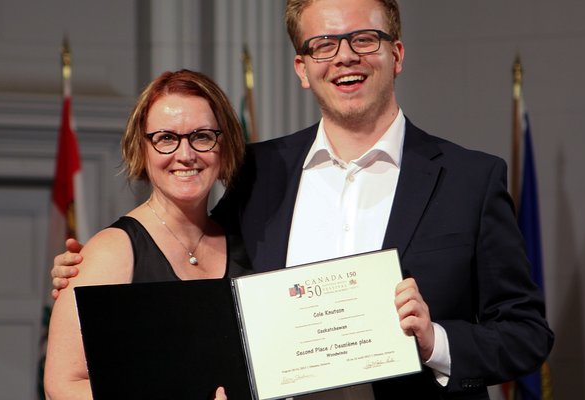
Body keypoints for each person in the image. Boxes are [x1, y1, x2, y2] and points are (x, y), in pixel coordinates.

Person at [52, 0, 554, 398]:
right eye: (324, 44)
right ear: (301, 66)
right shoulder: (257, 173)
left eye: (364, 38)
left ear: (396, 54)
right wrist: (92, 272)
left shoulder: (470, 179)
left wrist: (436, 341)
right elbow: (195, 265)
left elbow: (527, 333)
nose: (345, 56)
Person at [42, 69, 248, 400]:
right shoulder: (111, 252)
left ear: (225, 145)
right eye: (166, 138)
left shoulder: (248, 243)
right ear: (143, 147)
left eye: (203, 136)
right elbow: (61, 386)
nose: (186, 154)